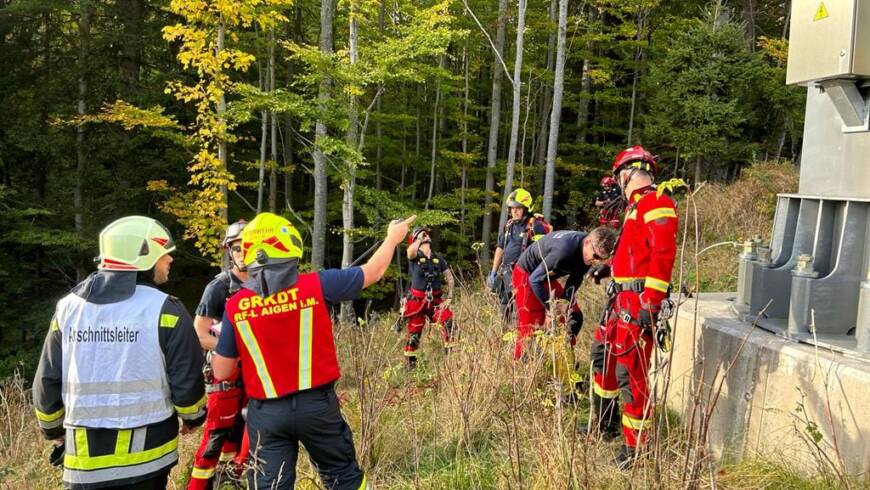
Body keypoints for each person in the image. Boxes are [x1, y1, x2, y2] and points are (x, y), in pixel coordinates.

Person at [211, 212, 416, 489]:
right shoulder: (317, 285)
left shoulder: (236, 305)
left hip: (266, 414)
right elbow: (374, 272)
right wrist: (392, 238)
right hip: (318, 408)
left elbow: (222, 371)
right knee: (343, 479)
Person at [33, 216, 206, 489]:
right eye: (164, 255)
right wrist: (193, 417)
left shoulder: (68, 308)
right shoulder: (165, 309)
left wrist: (52, 430)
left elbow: (47, 379)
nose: (170, 260)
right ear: (142, 257)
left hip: (84, 461)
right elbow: (187, 377)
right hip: (148, 458)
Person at [585, 145, 678, 469]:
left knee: (632, 374)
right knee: (602, 358)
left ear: (626, 175)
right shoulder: (635, 209)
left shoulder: (656, 203)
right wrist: (608, 268)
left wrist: (650, 305)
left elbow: (662, 256)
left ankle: (636, 449)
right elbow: (636, 254)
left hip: (636, 306)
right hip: (618, 303)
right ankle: (606, 422)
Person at [188, 219, 250, 489]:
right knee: (216, 437)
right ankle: (198, 485)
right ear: (229, 251)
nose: (243, 253)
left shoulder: (266, 284)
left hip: (257, 373)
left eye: (248, 247)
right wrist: (231, 348)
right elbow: (200, 334)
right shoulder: (219, 287)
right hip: (224, 374)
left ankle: (232, 480)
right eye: (237, 249)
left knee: (249, 431)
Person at [511, 227, 616, 360]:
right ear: (588, 242)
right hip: (527, 274)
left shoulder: (587, 251)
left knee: (574, 316)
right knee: (531, 325)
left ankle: (564, 359)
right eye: (595, 256)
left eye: (601, 260)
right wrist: (551, 309)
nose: (595, 262)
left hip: (547, 276)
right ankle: (521, 364)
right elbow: (535, 280)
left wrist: (564, 302)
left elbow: (575, 278)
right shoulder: (564, 250)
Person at [488, 188, 551, 321]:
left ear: (526, 208)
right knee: (505, 308)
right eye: (511, 208)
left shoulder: (535, 226)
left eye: (518, 208)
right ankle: (504, 335)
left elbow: (543, 253)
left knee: (522, 310)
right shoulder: (509, 225)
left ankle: (523, 337)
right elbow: (500, 247)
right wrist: (493, 271)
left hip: (524, 275)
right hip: (506, 273)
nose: (514, 211)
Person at [402, 226, 456, 369]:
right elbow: (409, 252)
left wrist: (450, 297)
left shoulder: (438, 258)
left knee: (448, 321)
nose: (425, 236)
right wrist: (418, 239)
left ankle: (450, 361)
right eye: (421, 235)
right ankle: (410, 367)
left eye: (426, 234)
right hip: (417, 302)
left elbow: (449, 277)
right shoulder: (414, 256)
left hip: (436, 300)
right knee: (414, 333)